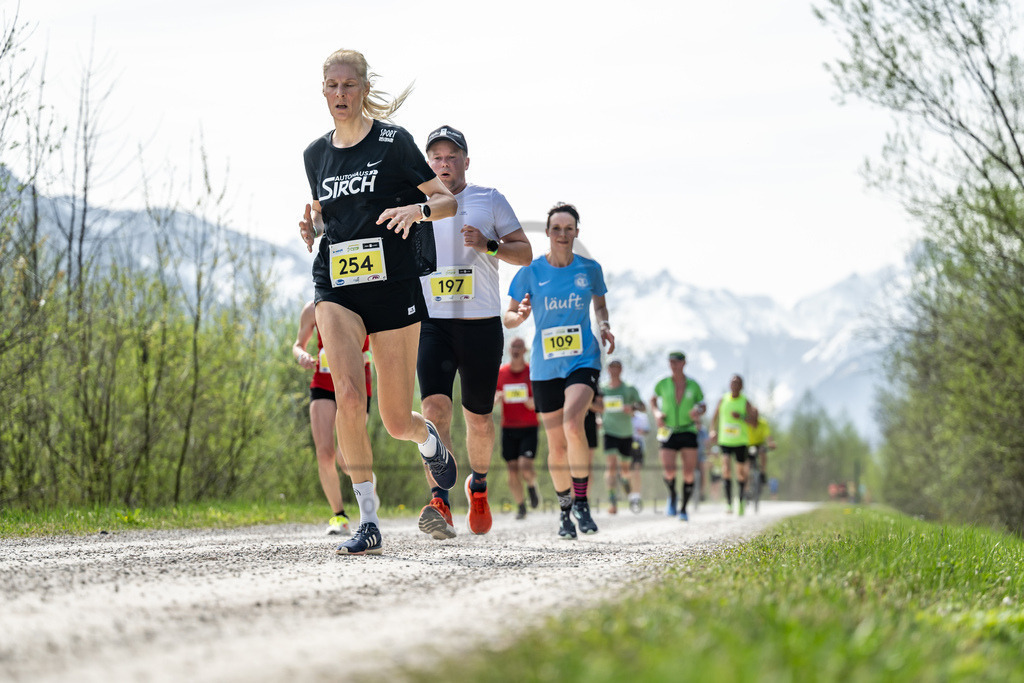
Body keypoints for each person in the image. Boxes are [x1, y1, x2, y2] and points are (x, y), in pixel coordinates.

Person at [298, 48, 458, 556]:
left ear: (364, 88)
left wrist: (418, 208)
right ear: (322, 91)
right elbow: (332, 216)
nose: (340, 95)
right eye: (332, 86)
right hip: (336, 286)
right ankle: (366, 519)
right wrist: (313, 226)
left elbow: (447, 201)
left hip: (392, 288)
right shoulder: (314, 155)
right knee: (347, 393)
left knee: (393, 420)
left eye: (348, 85)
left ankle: (428, 440)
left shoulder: (395, 143)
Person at [415, 125, 533, 539]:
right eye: (436, 158)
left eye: (451, 157)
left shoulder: (489, 199)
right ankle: (440, 501)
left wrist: (489, 245)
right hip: (432, 323)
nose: (444, 164)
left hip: (480, 324)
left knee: (479, 421)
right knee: (433, 412)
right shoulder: (416, 203)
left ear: (466, 161)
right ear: (428, 163)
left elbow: (525, 252)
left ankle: (477, 486)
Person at [504, 203, 614, 540]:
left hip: (583, 360)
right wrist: (520, 317)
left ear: (577, 232)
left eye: (569, 228)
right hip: (545, 366)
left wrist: (605, 324)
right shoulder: (530, 272)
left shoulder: (590, 269)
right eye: (556, 228)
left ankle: (582, 502)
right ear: (548, 233)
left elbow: (599, 302)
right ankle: (565, 511)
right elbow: (507, 316)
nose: (562, 234)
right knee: (557, 446)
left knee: (572, 423)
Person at [292, 301, 375, 535]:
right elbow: (298, 345)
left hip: (356, 385)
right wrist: (302, 357)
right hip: (323, 383)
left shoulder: (363, 302)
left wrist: (365, 356)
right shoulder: (312, 308)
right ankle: (339, 517)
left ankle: (368, 482)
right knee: (324, 453)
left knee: (345, 460)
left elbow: (382, 346)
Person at [649, 351, 706, 521]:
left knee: (689, 472)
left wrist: (698, 411)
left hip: (688, 430)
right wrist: (657, 413)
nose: (674, 365)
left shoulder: (693, 385)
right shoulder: (662, 383)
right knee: (669, 470)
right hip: (668, 430)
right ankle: (673, 496)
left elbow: (702, 405)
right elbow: (653, 400)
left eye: (677, 362)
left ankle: (683, 508)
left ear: (684, 363)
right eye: (671, 362)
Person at [494, 336, 541, 520]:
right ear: (509, 349)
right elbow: (492, 400)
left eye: (520, 347)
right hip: (508, 428)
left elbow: (540, 401)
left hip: (529, 427)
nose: (516, 349)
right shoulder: (501, 373)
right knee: (512, 470)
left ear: (525, 351)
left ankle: (531, 485)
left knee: (525, 466)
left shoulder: (532, 372)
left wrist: (534, 403)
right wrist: (497, 398)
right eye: (513, 346)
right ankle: (521, 506)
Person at [708, 374, 759, 516]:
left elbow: (754, 423)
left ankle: (741, 500)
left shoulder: (745, 402)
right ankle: (729, 503)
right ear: (729, 385)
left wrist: (742, 417)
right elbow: (714, 418)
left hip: (741, 442)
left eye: (737, 383)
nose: (734, 385)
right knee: (725, 469)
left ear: (741, 386)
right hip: (725, 441)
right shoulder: (723, 399)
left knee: (741, 473)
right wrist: (712, 431)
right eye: (732, 382)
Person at [600, 360, 643, 515]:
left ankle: (625, 481)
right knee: (611, 466)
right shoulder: (602, 389)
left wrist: (632, 407)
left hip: (626, 433)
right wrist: (599, 418)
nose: (614, 370)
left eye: (617, 367)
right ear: (608, 369)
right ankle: (613, 502)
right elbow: (597, 406)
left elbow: (642, 406)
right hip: (609, 431)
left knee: (625, 469)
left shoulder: (629, 389)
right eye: (612, 367)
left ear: (621, 369)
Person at [628, 401, 650, 513]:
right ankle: (630, 492)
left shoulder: (642, 417)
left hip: (637, 445)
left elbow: (647, 430)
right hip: (624, 444)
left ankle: (636, 495)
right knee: (626, 472)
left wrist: (642, 431)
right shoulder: (622, 418)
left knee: (636, 471)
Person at [747, 414, 775, 486]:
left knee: (763, 452)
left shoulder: (763, 423)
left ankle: (763, 473)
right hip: (748, 445)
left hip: (759, 444)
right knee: (746, 463)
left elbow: (768, 435)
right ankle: (746, 486)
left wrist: (771, 443)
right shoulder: (746, 423)